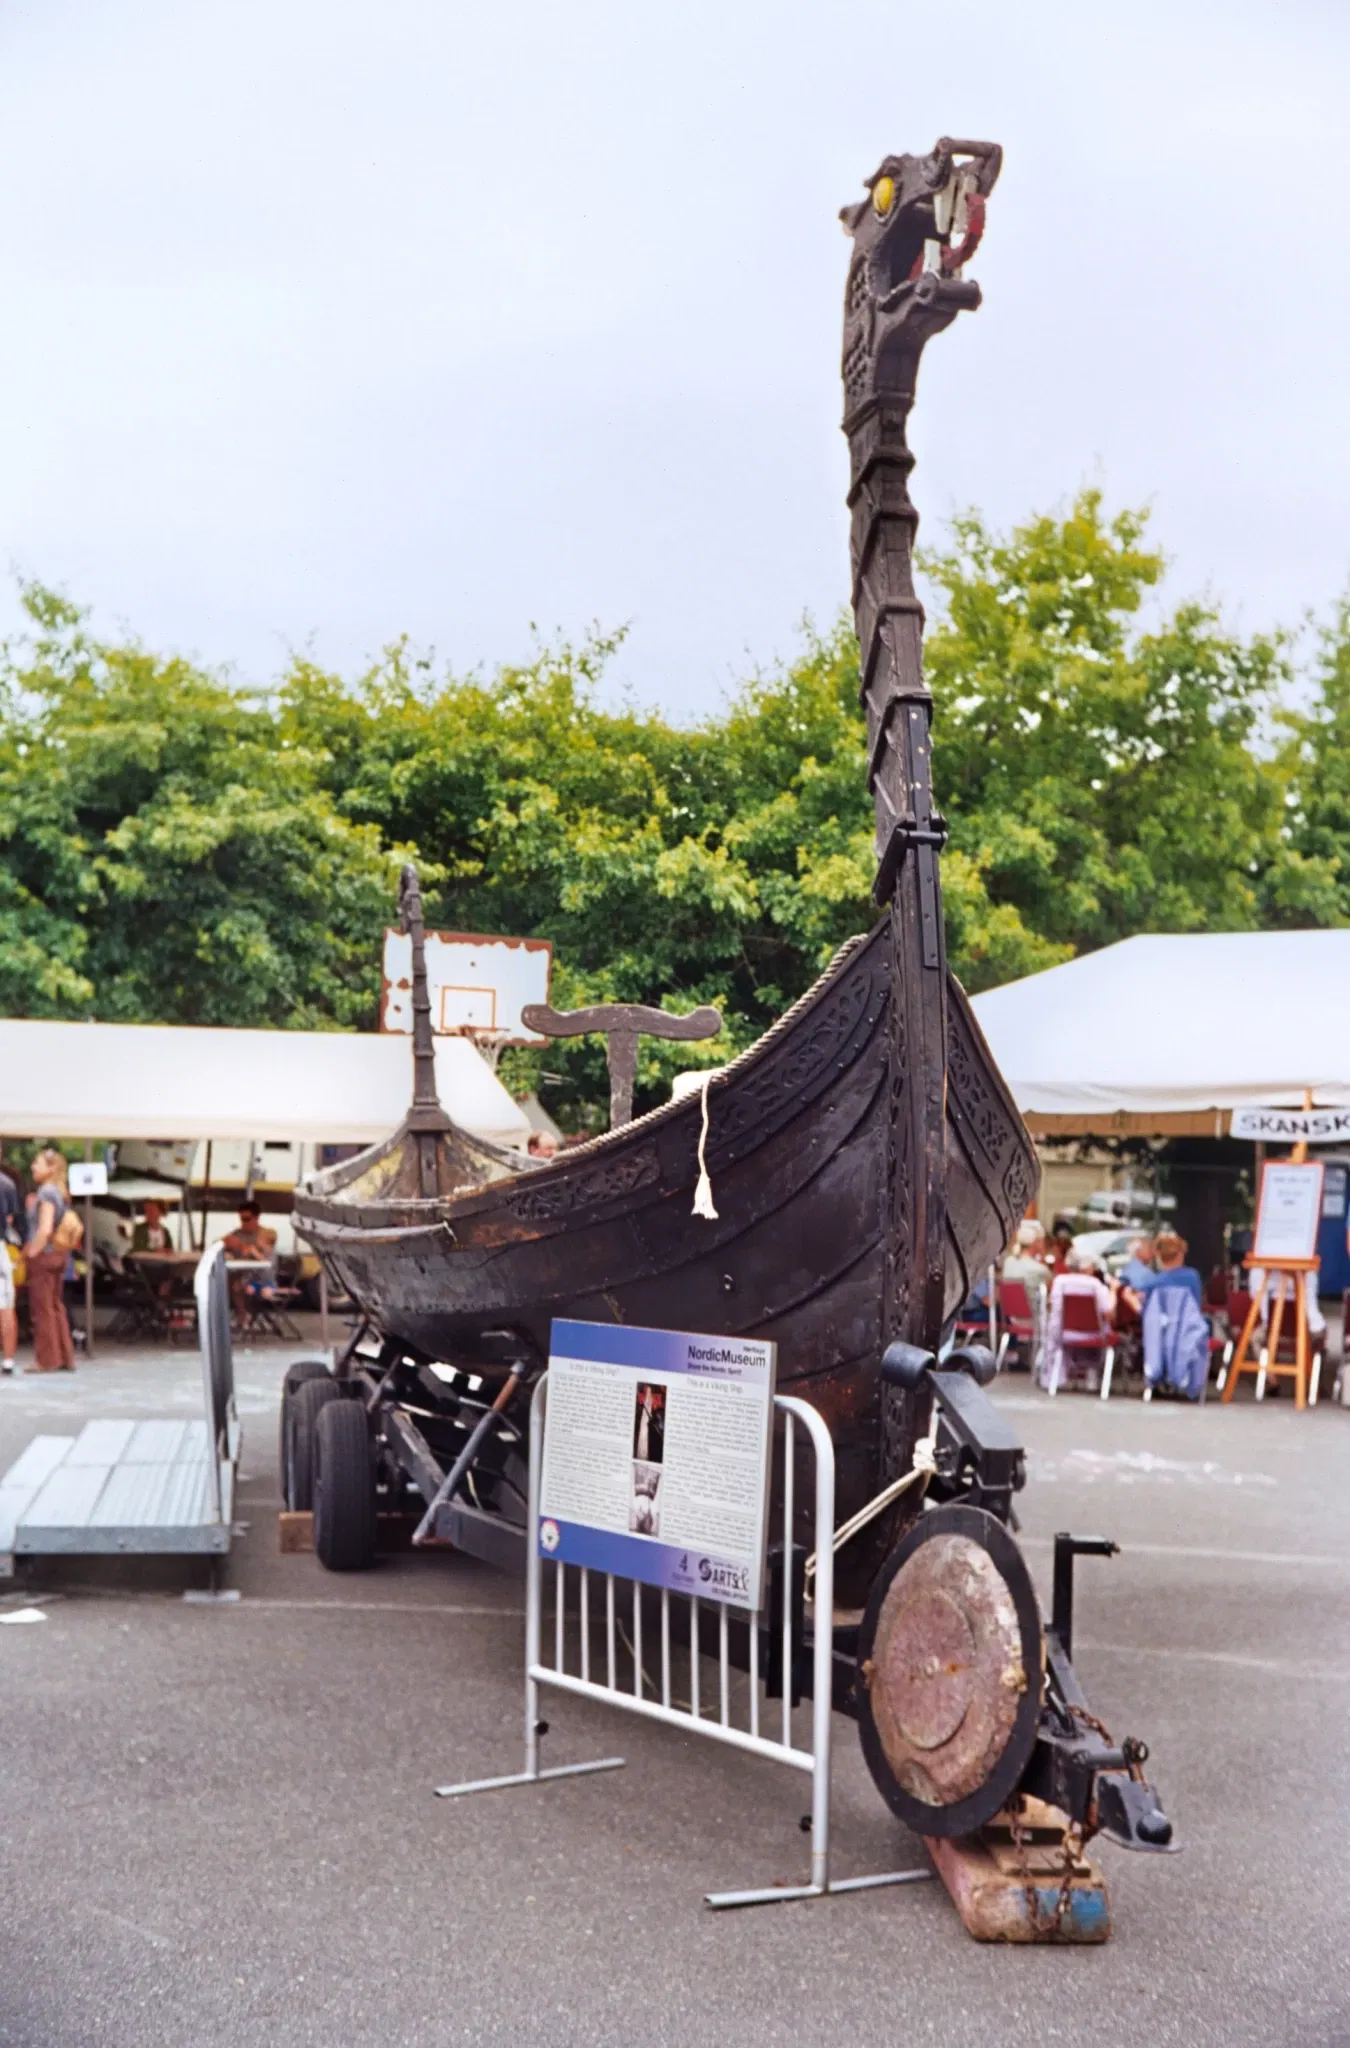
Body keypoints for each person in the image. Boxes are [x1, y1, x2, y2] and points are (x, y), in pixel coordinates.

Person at [25, 1148, 75, 1373]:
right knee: (56, 1306)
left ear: (51, 1168)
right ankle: (64, 1356)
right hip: (59, 1255)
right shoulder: (60, 1191)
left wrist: (32, 1252)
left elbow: (44, 1228)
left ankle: (46, 1360)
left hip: (44, 1255)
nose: (33, 1167)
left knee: (42, 1309)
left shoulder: (45, 1192)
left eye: (37, 1163)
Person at [1042, 1248, 1117, 1393]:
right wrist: (1113, 1290)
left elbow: (1052, 1306)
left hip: (1062, 1333)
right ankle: (1092, 1377)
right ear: (1087, 1267)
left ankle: (1056, 1378)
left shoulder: (1059, 1281)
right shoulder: (1094, 1284)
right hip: (1093, 1335)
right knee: (1106, 1336)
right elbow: (1109, 1314)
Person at [222, 1203, 278, 1316]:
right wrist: (227, 1249)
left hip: (261, 1276)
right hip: (243, 1274)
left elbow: (264, 1246)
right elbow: (222, 1243)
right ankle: (239, 1314)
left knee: (237, 1284)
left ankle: (242, 1315)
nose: (243, 1223)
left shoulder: (267, 1233)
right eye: (241, 1219)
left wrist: (243, 1247)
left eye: (246, 1219)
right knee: (224, 1279)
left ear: (256, 1218)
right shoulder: (237, 1234)